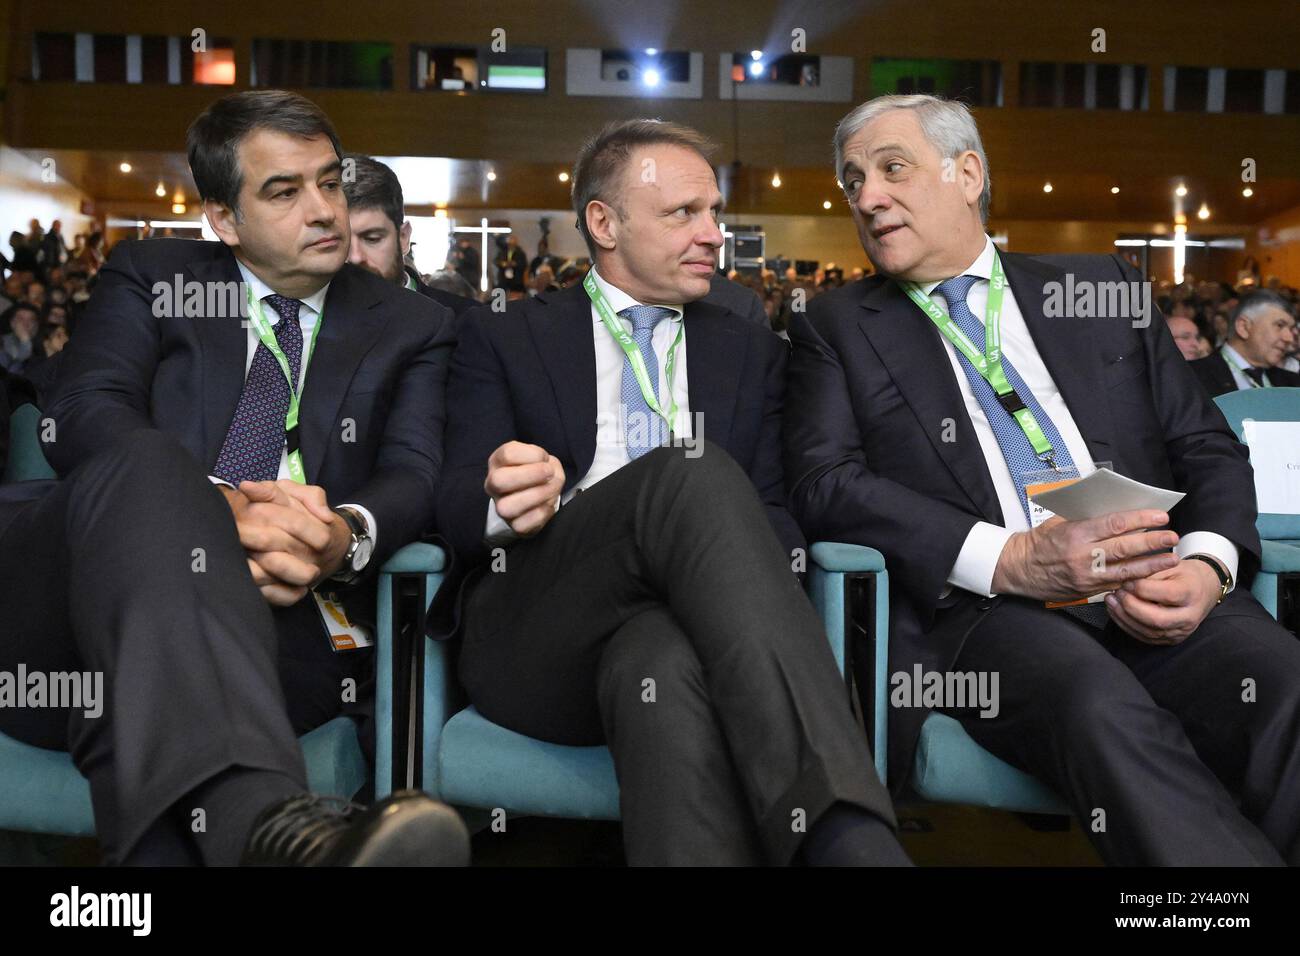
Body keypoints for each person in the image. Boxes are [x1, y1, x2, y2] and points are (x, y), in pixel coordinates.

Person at [784, 93, 1300, 866]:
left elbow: (1206, 443)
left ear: (968, 174)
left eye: (892, 169)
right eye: (852, 180)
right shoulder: (837, 325)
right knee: (1099, 705)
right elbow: (825, 482)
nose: (866, 197)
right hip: (994, 611)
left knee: (1284, 679)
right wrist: (1011, 558)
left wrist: (1209, 564)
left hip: (1156, 575)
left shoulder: (1100, 289)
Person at [4, 89, 467, 866]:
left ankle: (271, 834)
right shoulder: (154, 275)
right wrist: (212, 511)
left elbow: (412, 470)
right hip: (70, 599)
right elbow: (86, 408)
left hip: (285, 615)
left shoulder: (410, 323)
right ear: (224, 219)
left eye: (330, 181)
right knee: (149, 462)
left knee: (139, 686)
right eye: (284, 192)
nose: (324, 211)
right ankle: (282, 830)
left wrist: (341, 537)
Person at [429, 118, 905, 866]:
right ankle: (849, 837)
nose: (714, 233)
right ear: (603, 223)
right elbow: (452, 502)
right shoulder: (509, 335)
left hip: (691, 631)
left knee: (662, 661)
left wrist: (724, 573)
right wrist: (502, 496)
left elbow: (778, 511)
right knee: (691, 468)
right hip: (539, 628)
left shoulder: (748, 347)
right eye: (684, 213)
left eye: (714, 211)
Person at [342, 153, 478, 316]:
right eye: (339, 241)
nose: (355, 257)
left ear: (403, 237)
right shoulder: (308, 326)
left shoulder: (465, 320)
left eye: (372, 239)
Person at [1188, 290, 1300, 396]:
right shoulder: (1193, 377)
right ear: (1243, 327)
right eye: (1280, 325)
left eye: (1291, 329)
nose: (1289, 338)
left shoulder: (1292, 385)